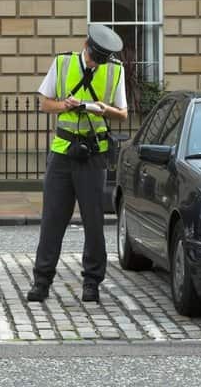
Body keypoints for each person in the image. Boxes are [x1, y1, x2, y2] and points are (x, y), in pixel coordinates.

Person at [27, 24, 128, 303]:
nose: (96, 63)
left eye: (101, 60)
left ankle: (92, 282)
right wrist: (65, 105)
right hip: (62, 151)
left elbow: (123, 113)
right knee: (52, 220)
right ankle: (41, 281)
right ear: (86, 46)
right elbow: (44, 104)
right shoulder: (61, 64)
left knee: (94, 221)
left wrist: (104, 109)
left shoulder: (115, 71)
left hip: (94, 153)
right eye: (94, 57)